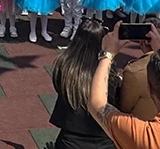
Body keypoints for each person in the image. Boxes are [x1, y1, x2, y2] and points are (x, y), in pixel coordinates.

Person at [50, 18, 119, 149]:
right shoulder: (107, 68)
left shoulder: (64, 63)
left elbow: (58, 86)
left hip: (70, 137)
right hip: (103, 136)